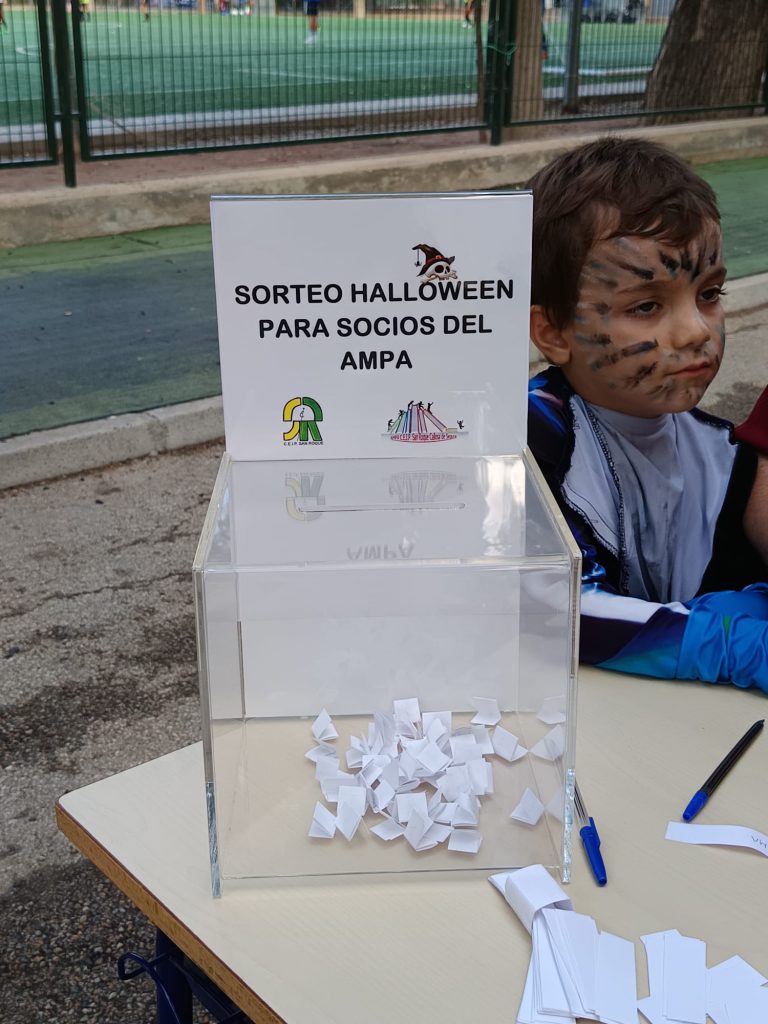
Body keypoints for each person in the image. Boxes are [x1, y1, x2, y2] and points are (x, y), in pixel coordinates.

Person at [526, 137, 768, 692]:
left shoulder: (722, 454)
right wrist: (727, 644)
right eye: (646, 306)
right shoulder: (529, 440)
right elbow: (556, 610)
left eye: (710, 294)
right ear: (553, 332)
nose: (696, 331)